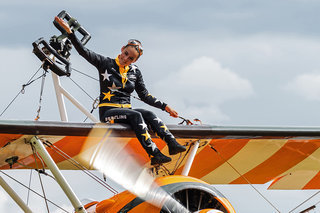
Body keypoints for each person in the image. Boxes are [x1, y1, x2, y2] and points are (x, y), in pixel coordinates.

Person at [55, 17, 186, 165]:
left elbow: (144, 95)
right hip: (108, 112)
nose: (126, 59)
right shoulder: (106, 63)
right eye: (126, 54)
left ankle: (172, 143)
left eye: (130, 58)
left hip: (126, 112)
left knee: (149, 114)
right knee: (136, 115)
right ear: (122, 49)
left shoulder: (135, 72)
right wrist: (70, 33)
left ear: (134, 61)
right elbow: (84, 52)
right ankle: (154, 154)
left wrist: (165, 107)